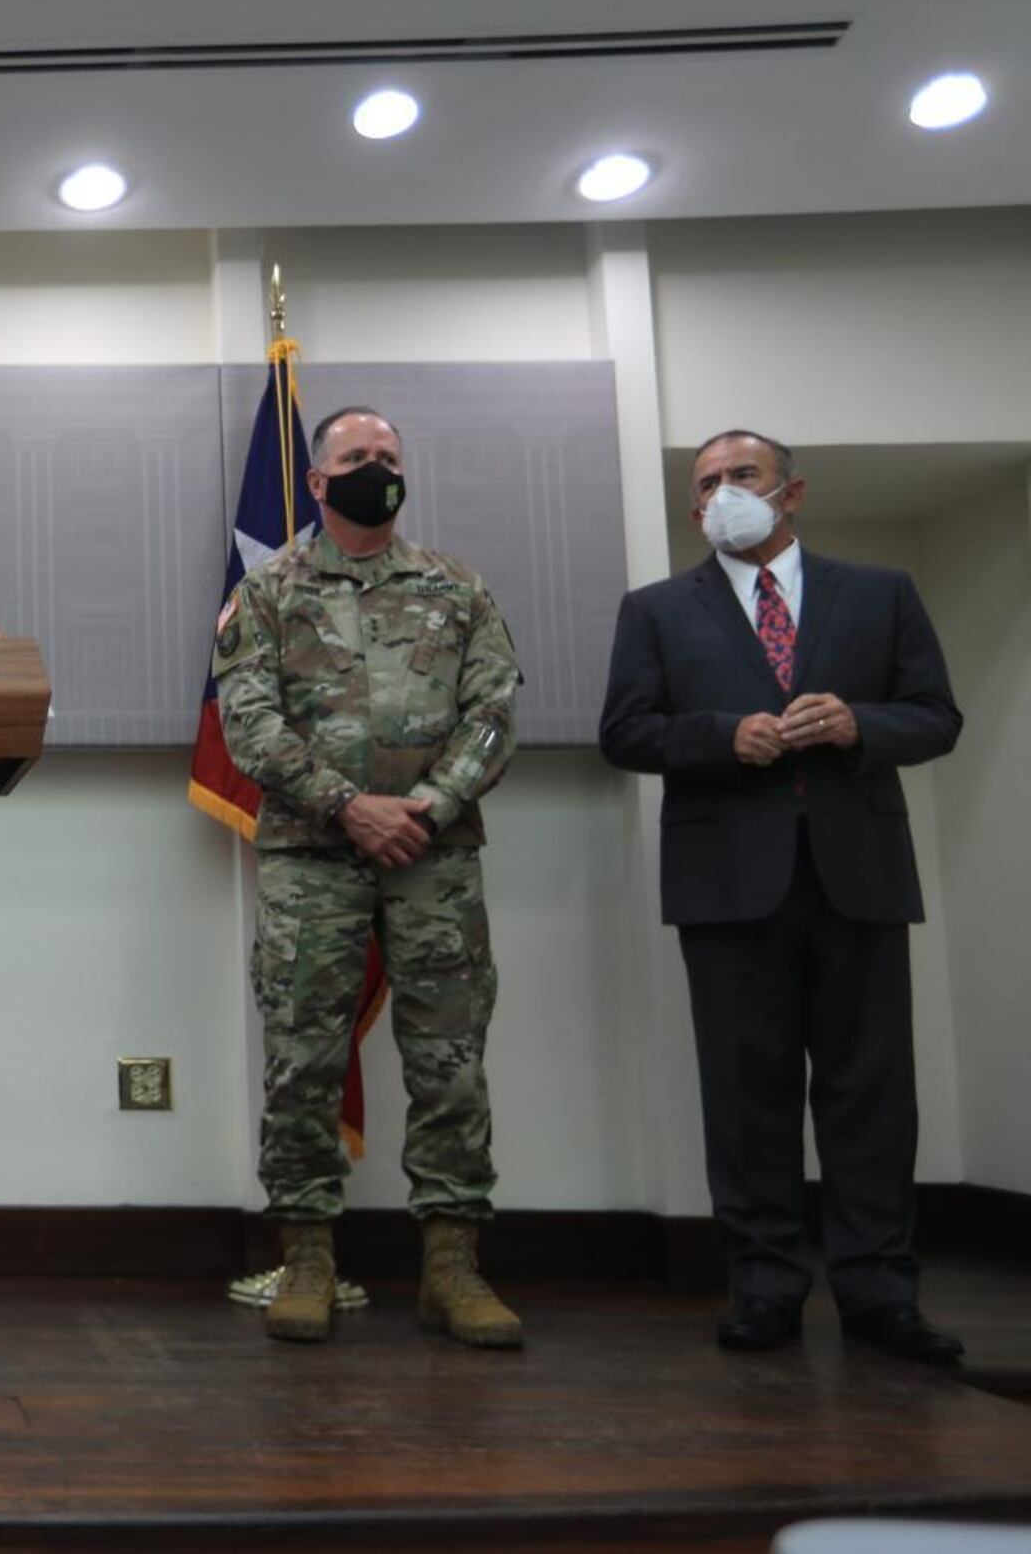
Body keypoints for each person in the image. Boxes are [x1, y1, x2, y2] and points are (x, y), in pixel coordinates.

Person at [600, 430, 964, 1364]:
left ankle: (881, 1293)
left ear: (791, 491)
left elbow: (935, 716)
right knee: (746, 1096)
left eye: (742, 477)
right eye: (707, 484)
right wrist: (723, 736)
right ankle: (764, 1288)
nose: (723, 494)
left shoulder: (880, 593)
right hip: (727, 886)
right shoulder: (655, 611)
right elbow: (627, 732)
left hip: (860, 879)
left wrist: (858, 723)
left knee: (872, 1095)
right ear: (693, 511)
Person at [212, 406, 523, 1349]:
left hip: (435, 855)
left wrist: (423, 807)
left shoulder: (454, 586)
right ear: (317, 480)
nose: (375, 469)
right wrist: (350, 805)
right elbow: (251, 723)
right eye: (356, 458)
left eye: (389, 457)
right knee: (303, 1058)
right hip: (313, 855)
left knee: (450, 1062)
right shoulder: (266, 590)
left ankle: (452, 1270)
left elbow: (494, 710)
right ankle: (307, 1260)